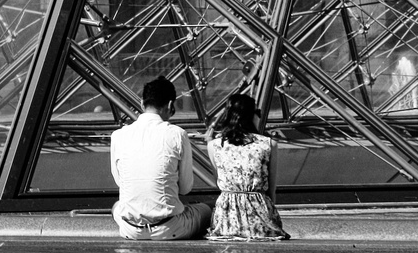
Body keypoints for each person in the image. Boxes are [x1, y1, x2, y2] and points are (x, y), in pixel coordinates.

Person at [110, 76, 212, 240]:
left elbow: (119, 182)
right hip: (169, 228)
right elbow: (185, 189)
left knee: (116, 206)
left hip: (131, 229)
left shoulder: (118, 135)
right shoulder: (178, 134)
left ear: (142, 104)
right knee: (206, 210)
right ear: (171, 105)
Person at [205, 93, 290, 241]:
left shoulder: (214, 146)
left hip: (227, 220)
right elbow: (271, 190)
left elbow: (220, 183)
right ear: (251, 116)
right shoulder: (268, 144)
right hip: (260, 218)